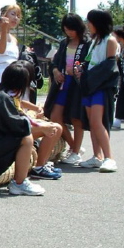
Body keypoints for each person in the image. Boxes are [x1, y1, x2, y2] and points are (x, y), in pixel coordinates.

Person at [0, 62, 63, 196]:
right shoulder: (1, 99)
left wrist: (42, 126)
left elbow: (17, 120)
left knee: (33, 133)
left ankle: (37, 168)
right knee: (25, 138)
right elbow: (18, 126)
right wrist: (42, 127)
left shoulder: (0, 95)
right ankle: (19, 183)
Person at [75, 9, 119, 172]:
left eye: (90, 21)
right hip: (89, 86)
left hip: (100, 86)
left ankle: (110, 158)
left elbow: (109, 65)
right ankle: (97, 156)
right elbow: (86, 61)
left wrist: (89, 76)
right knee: (91, 123)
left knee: (96, 122)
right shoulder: (93, 42)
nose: (87, 24)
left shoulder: (111, 40)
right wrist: (79, 70)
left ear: (98, 23)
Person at [43, 13, 91, 165]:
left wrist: (78, 70)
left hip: (78, 85)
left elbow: (90, 64)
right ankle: (73, 146)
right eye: (66, 29)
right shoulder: (64, 43)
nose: (69, 32)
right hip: (63, 83)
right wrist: (56, 71)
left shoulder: (87, 44)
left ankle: (75, 151)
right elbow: (55, 63)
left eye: (71, 29)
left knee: (77, 117)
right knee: (55, 116)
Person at [0, 5, 22, 90]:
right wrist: (4, 29)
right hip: (0, 75)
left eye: (18, 16)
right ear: (4, 15)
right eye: (13, 14)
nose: (16, 18)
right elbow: (1, 50)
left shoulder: (14, 39)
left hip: (15, 75)